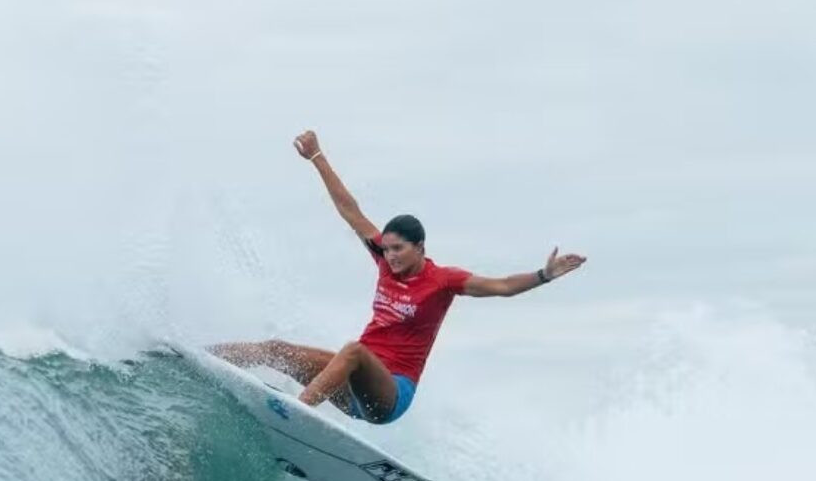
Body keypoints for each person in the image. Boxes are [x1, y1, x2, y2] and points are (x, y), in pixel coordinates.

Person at [211, 130, 586, 425]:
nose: (388, 256)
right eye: (385, 249)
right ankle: (203, 355)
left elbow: (501, 287)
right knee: (277, 348)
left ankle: (298, 412)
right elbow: (350, 211)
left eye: (397, 250)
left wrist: (545, 275)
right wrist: (317, 158)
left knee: (354, 351)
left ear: (419, 247)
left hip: (390, 397)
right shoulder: (383, 260)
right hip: (351, 384)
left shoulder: (443, 281)